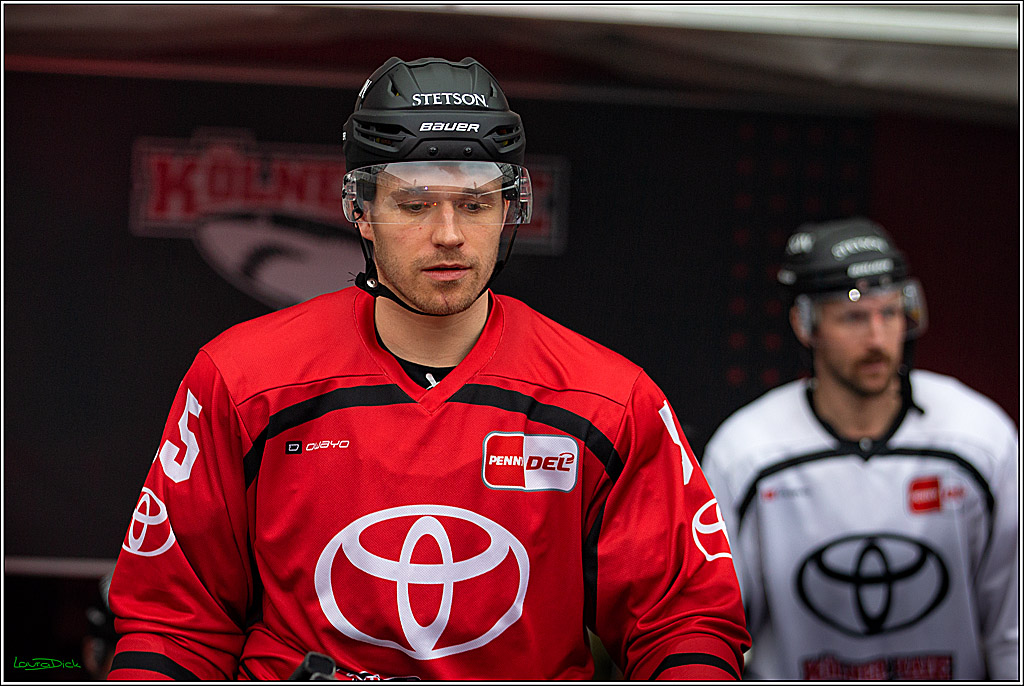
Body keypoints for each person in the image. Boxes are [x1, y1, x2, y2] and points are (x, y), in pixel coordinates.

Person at [107, 56, 750, 681]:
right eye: (415, 204)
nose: (448, 234)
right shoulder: (245, 377)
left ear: (509, 211)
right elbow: (174, 623)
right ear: (359, 209)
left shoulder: (607, 398)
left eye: (474, 204)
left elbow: (684, 620)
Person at [702, 217, 1019, 680]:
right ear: (804, 323)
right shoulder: (746, 451)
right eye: (853, 316)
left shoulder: (978, 436)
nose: (877, 339)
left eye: (889, 313)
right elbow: (714, 625)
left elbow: (1014, 627)